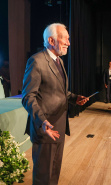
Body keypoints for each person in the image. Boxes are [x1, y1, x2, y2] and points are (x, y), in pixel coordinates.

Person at [22, 23, 89, 185]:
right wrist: (42, 121)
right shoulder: (36, 62)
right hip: (45, 129)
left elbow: (59, 91)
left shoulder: (59, 61)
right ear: (51, 40)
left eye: (68, 38)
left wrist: (74, 97)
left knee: (54, 173)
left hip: (58, 126)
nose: (68, 42)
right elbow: (28, 97)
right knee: (43, 176)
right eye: (65, 38)